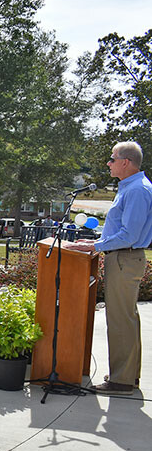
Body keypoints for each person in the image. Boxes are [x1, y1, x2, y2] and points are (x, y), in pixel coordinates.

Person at [70, 141, 152, 395]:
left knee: (120, 321)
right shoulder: (130, 187)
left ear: (126, 162)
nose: (109, 163)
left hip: (124, 258)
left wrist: (96, 247)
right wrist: (96, 241)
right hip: (122, 257)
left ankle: (122, 381)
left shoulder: (137, 190)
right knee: (125, 319)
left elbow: (129, 234)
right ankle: (126, 376)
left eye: (112, 158)